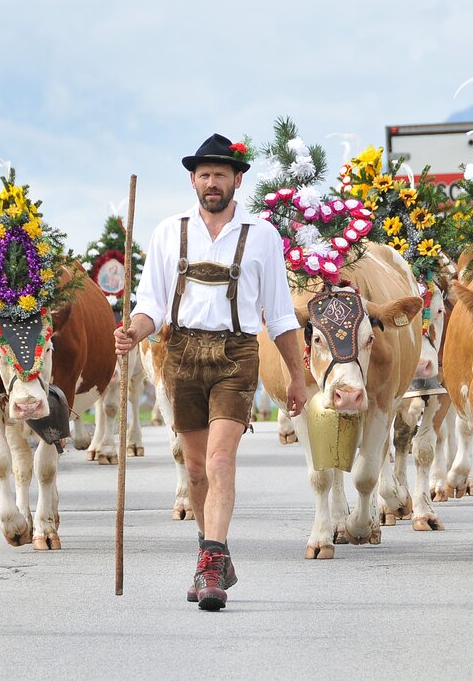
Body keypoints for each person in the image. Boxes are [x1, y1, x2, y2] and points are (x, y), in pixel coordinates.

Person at [114, 133, 307, 611]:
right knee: (195, 468)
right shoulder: (168, 232)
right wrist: (134, 333)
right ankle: (212, 553)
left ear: (237, 179)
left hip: (236, 356)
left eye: (221, 174)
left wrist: (298, 376)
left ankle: (211, 563)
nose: (212, 182)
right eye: (204, 174)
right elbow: (151, 306)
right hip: (180, 354)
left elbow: (280, 315)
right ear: (193, 181)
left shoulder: (261, 235)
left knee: (221, 461)